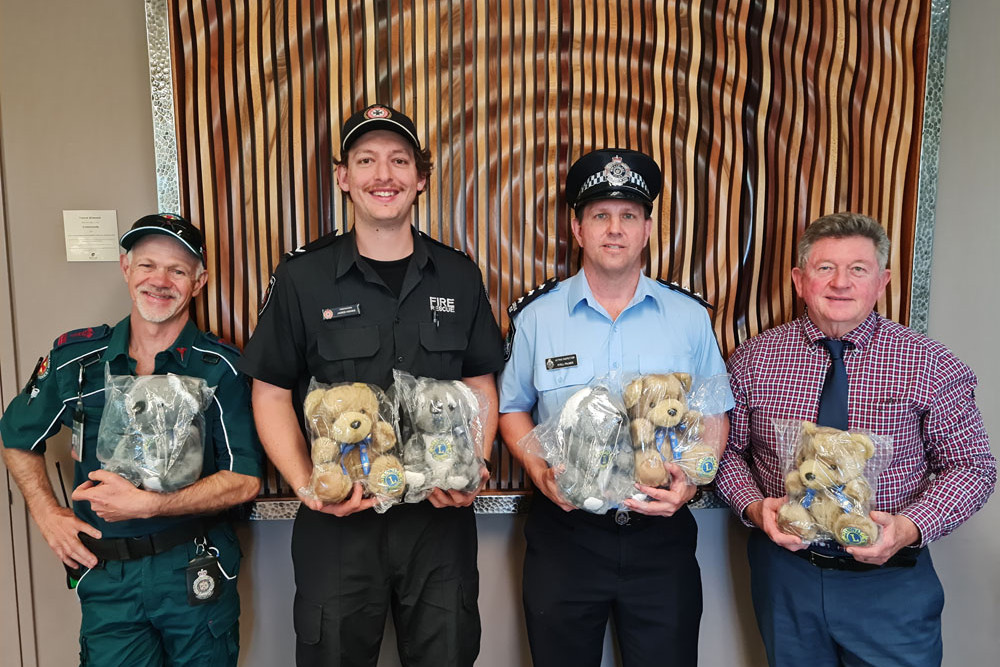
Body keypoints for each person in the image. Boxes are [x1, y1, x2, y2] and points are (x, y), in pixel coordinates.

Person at [240, 103, 504, 667]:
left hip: (439, 521)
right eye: (366, 160)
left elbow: (480, 381)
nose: (383, 175)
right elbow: (269, 391)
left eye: (399, 160)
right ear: (343, 177)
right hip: (341, 525)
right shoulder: (302, 278)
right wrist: (308, 485)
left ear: (421, 178)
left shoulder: (459, 275)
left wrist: (473, 469)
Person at [714, 212, 996, 667]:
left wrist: (908, 528)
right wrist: (751, 505)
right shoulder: (754, 359)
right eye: (825, 267)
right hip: (786, 579)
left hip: (890, 582)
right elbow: (726, 451)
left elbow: (973, 467)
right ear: (799, 279)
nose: (840, 282)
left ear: (882, 281)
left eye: (858, 269)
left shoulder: (930, 363)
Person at [497, 148, 732, 667]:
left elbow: (715, 411)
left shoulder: (688, 317)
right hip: (567, 536)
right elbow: (511, 408)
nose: (615, 229)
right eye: (600, 215)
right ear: (578, 230)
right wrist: (538, 468)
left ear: (647, 229)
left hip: (660, 537)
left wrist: (693, 480)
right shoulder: (538, 317)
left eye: (629, 216)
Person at [0, 213, 263, 666]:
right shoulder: (78, 360)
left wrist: (154, 505)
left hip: (194, 569)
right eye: (147, 266)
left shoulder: (220, 368)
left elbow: (244, 480)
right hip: (107, 575)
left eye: (177, 270)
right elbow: (15, 436)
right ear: (126, 268)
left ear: (198, 282)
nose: (159, 281)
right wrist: (48, 516)